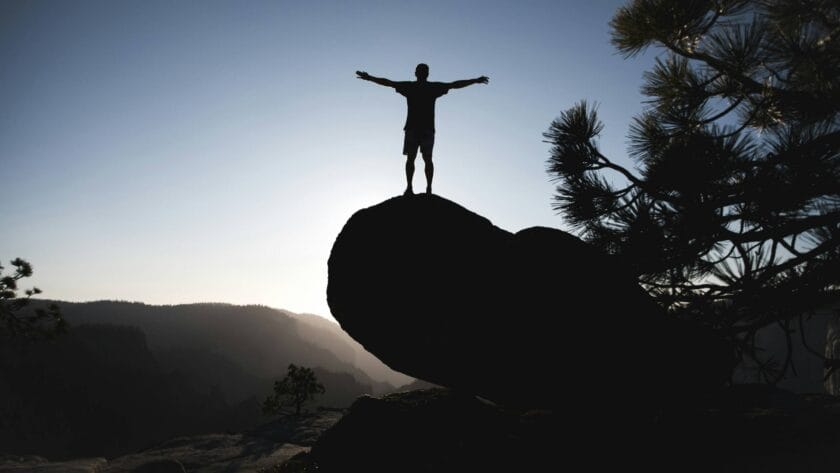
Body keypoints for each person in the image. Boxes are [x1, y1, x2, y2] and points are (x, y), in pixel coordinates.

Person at [356, 64, 489, 195]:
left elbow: (454, 84)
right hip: (420, 128)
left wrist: (475, 81)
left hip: (419, 128)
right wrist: (475, 81)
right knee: (421, 159)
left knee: (419, 159)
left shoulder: (416, 87)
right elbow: (454, 84)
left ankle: (420, 188)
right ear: (425, 73)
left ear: (417, 73)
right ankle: (419, 188)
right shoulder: (427, 87)